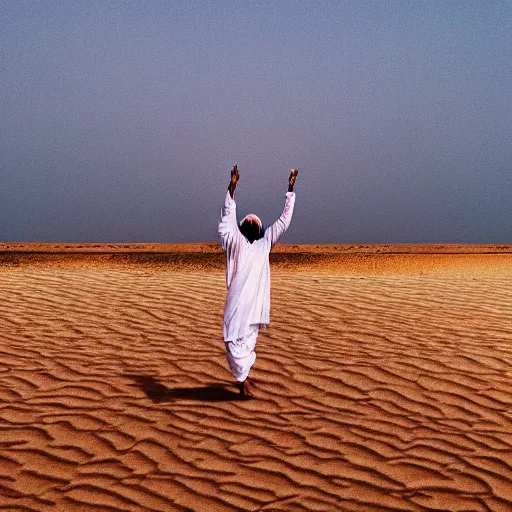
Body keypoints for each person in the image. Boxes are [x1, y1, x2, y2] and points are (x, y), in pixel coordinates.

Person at [218, 165, 298, 397]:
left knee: (249, 341)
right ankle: (242, 378)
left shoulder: (265, 245)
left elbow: (284, 221)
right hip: (236, 305)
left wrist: (290, 190)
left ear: (261, 230)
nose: (252, 222)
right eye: (249, 222)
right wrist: (232, 186)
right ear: (242, 228)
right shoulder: (235, 242)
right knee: (233, 342)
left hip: (255, 306)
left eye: (255, 222)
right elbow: (228, 213)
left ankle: (244, 381)